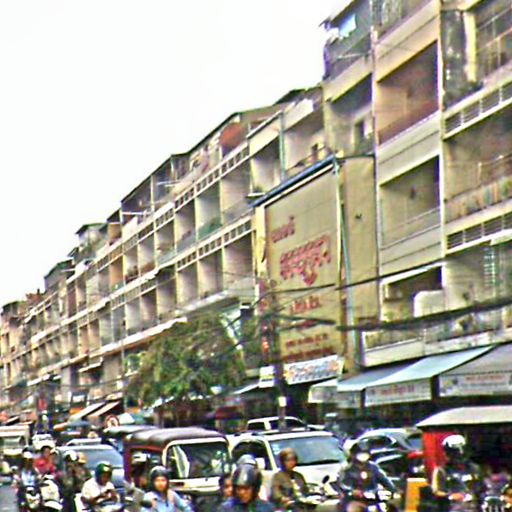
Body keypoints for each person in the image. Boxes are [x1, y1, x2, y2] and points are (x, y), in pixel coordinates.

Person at [339, 440, 396, 510]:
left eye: (365, 454)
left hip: (374, 497)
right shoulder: (348, 469)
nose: (363, 456)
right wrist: (353, 490)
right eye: (360, 454)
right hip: (354, 499)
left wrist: (391, 489)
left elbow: (384, 479)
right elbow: (343, 483)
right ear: (353, 455)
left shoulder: (373, 467)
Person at [431, 435, 483, 510]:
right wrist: (450, 496)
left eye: (462, 452)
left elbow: (482, 488)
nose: (459, 456)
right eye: (455, 453)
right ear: (448, 453)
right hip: (452, 507)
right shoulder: (441, 471)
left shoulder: (475, 468)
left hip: (473, 507)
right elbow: (436, 491)